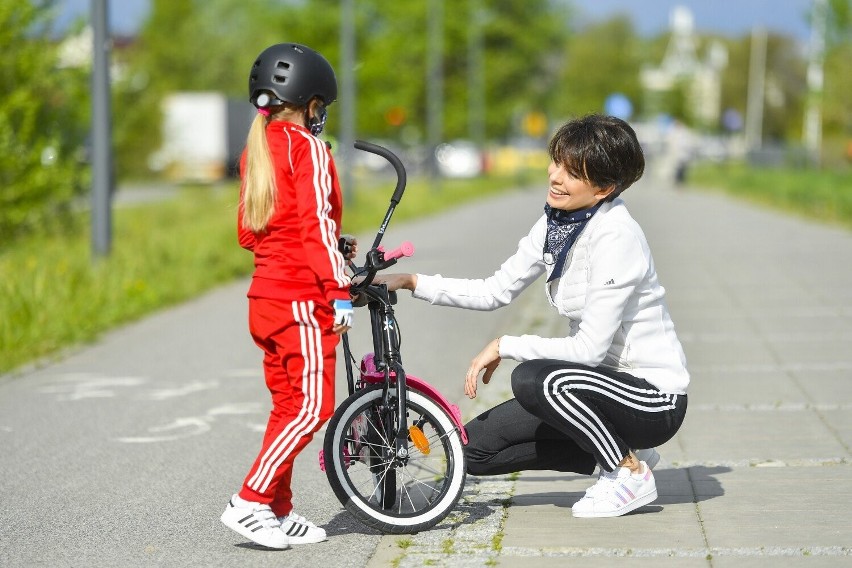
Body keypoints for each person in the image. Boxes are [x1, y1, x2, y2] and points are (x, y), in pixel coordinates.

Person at [375, 114, 689, 518]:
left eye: (573, 173)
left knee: (533, 378)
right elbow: (494, 290)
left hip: (651, 398)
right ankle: (621, 446)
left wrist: (507, 345)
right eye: (556, 162)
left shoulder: (617, 236)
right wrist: (410, 280)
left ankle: (627, 473)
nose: (555, 177)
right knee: (471, 451)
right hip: (595, 392)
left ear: (604, 188)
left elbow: (589, 351)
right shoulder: (557, 222)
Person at [220, 42, 356, 549]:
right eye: (321, 106)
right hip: (301, 300)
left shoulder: (257, 149)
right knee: (312, 409)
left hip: (265, 300)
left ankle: (278, 508)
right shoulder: (309, 149)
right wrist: (338, 290)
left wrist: (325, 248)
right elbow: (316, 226)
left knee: (286, 405)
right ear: (311, 103)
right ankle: (251, 500)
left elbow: (251, 234)